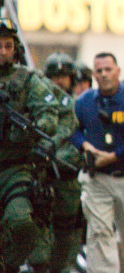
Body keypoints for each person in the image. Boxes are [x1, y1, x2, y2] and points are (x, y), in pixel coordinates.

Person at [70, 52, 124, 273]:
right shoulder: (84, 101)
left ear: (118, 71)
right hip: (97, 180)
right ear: (94, 74)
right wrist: (85, 146)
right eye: (99, 70)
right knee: (99, 233)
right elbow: (72, 129)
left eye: (108, 69)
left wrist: (115, 156)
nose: (103, 74)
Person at [0, 18, 59, 273]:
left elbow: (48, 113)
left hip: (16, 168)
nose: (3, 52)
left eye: (8, 46)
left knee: (21, 223)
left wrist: (32, 129)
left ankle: (10, 264)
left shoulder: (27, 80)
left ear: (16, 49)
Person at [27, 52, 82, 273]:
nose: (59, 81)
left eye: (64, 76)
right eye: (54, 76)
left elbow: (82, 139)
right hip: (41, 175)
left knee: (68, 229)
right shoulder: (36, 100)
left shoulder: (81, 104)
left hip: (68, 178)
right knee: (39, 227)